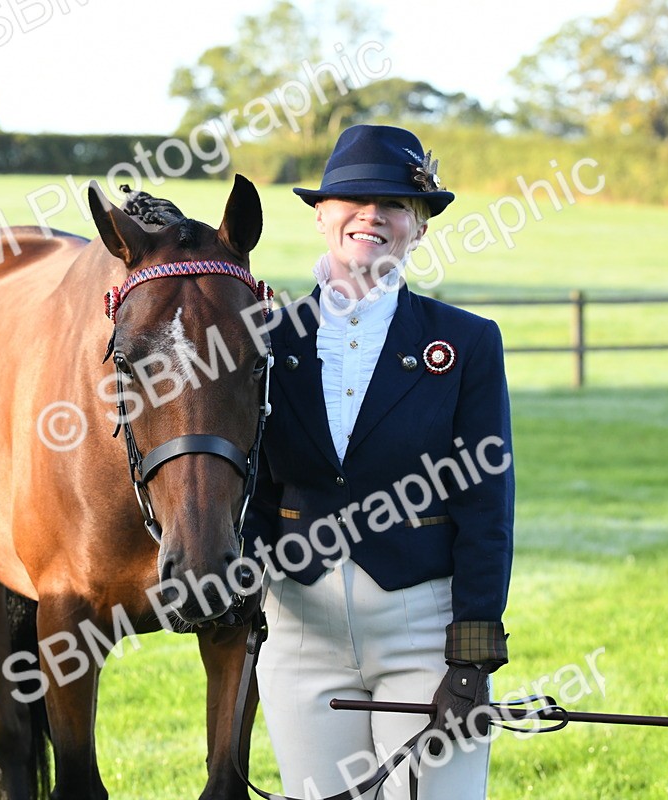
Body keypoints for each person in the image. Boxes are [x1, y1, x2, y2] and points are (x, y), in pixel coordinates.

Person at [243, 124, 514, 799]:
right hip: (299, 631)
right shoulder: (263, 338)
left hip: (423, 631)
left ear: (419, 228)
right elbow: (245, 482)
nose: (374, 214)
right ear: (321, 215)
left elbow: (488, 507)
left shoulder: (467, 343)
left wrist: (471, 659)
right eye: (355, 198)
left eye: (396, 203)